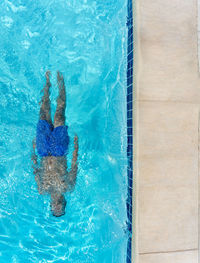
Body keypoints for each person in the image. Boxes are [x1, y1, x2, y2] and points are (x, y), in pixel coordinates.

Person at [31, 71, 78, 217]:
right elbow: (74, 165)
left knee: (43, 114)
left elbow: (35, 168)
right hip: (59, 150)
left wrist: (33, 150)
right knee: (59, 114)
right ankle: (61, 83)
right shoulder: (68, 187)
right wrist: (76, 146)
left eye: (54, 211)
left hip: (44, 151)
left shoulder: (42, 190)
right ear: (64, 204)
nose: (56, 209)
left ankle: (47, 84)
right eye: (60, 210)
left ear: (50, 207)